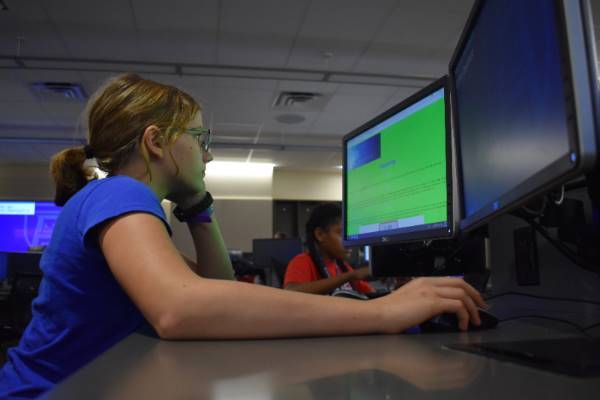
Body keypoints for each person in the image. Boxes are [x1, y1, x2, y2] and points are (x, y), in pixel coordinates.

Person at [0, 74, 487, 398]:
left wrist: (198, 207)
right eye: (200, 140)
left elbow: (216, 288)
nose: (208, 157)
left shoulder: (115, 203)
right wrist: (382, 312)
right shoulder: (119, 195)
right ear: (156, 142)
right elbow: (180, 309)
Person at [284, 204, 374, 296]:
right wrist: (350, 276)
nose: (349, 241)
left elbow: (370, 293)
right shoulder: (303, 261)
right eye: (342, 234)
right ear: (320, 234)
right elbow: (291, 292)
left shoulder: (343, 266)